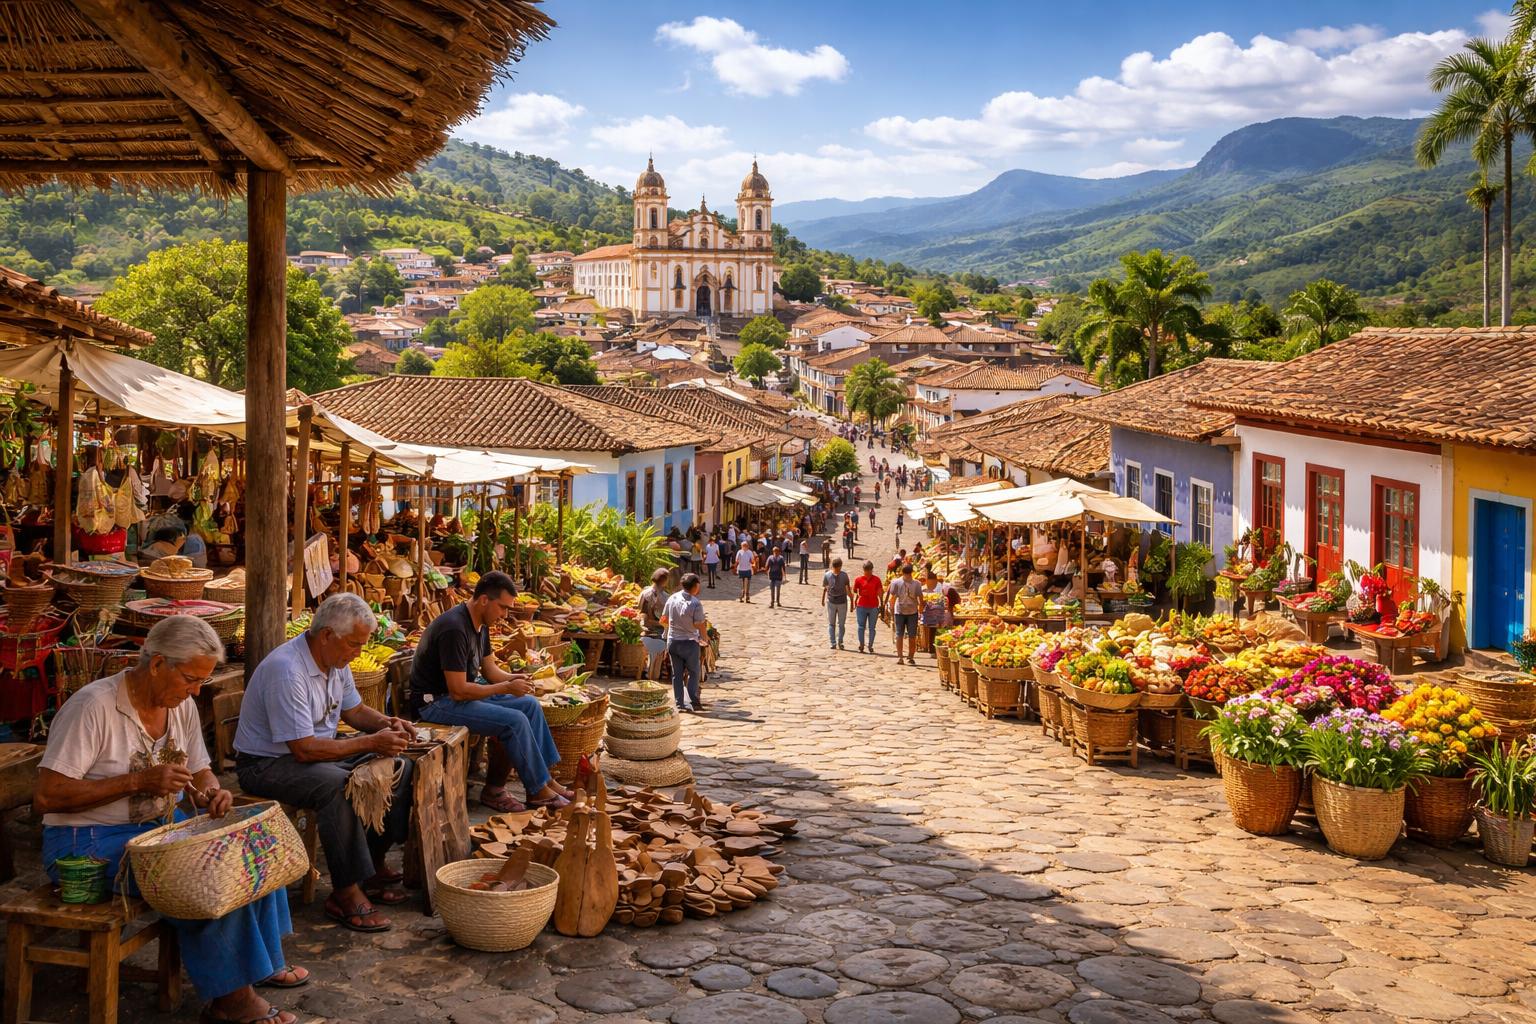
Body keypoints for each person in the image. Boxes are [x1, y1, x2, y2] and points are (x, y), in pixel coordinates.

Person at [38, 616, 304, 1024]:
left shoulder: (180, 707)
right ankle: (232, 1001)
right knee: (203, 875)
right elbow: (47, 796)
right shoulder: (93, 707)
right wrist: (137, 781)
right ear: (158, 664)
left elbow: (201, 770)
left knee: (251, 848)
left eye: (201, 681)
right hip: (85, 842)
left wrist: (211, 791)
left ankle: (259, 964)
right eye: (191, 679)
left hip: (157, 830)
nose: (196, 691)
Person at [236, 593, 417, 934]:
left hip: (315, 754)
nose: (358, 652)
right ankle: (345, 892)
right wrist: (370, 742)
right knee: (337, 786)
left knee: (398, 767)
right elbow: (303, 750)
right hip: (266, 765)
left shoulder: (336, 662)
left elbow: (355, 711)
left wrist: (387, 723)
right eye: (354, 644)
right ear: (327, 635)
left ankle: (372, 866)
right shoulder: (287, 670)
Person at [662, 573, 709, 712]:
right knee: (693, 672)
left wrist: (668, 633)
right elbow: (698, 624)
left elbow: (664, 619)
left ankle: (679, 703)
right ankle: (694, 701)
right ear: (695, 586)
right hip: (689, 643)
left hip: (673, 642)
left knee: (677, 674)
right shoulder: (695, 603)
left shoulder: (672, 598)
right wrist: (704, 638)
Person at [886, 563, 925, 666]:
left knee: (903, 635)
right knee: (907, 635)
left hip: (905, 612)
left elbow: (892, 599)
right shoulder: (913, 583)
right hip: (905, 612)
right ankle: (907, 657)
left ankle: (903, 657)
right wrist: (921, 608)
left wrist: (891, 610)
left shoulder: (901, 582)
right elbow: (920, 598)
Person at [639, 568, 671, 680]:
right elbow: (665, 620)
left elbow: (641, 613)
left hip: (644, 630)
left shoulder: (644, 593)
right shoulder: (666, 598)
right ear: (665, 581)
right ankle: (660, 670)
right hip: (659, 632)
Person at [852, 560, 884, 654]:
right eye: (866, 570)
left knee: (872, 627)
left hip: (873, 606)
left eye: (869, 570)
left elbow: (880, 592)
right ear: (863, 570)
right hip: (861, 605)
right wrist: (856, 599)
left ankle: (870, 645)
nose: (868, 572)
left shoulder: (877, 580)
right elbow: (855, 590)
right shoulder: (858, 580)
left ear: (872, 570)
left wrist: (882, 603)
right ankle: (861, 644)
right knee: (861, 627)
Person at [821, 556, 851, 650]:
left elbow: (847, 589)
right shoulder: (840, 575)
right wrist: (823, 599)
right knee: (834, 624)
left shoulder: (831, 575)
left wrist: (852, 600)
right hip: (835, 602)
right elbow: (826, 588)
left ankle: (838, 641)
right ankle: (834, 642)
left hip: (838, 602)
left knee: (839, 624)